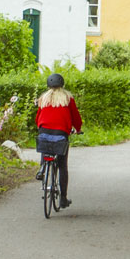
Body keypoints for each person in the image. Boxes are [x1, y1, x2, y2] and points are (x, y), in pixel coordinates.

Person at [35, 73, 82, 209]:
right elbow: (75, 117)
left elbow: (38, 118)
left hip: (44, 132)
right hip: (61, 135)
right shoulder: (67, 98)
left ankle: (42, 169)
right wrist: (77, 129)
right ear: (62, 84)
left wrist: (41, 127)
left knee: (45, 150)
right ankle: (63, 198)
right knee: (62, 166)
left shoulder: (43, 99)